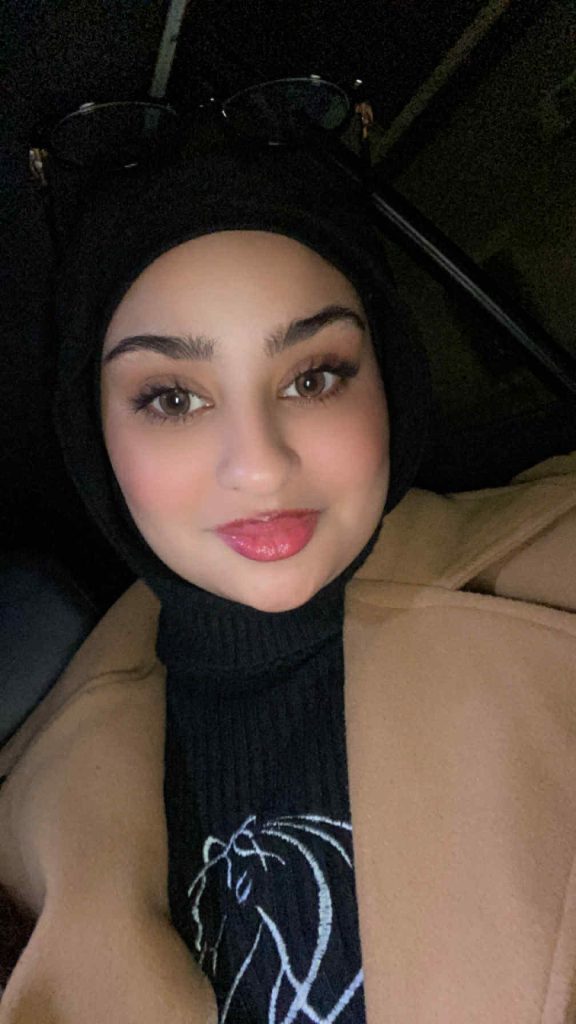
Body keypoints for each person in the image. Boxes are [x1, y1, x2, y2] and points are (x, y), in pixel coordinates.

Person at [1, 140, 576, 1023]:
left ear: (389, 379)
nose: (260, 467)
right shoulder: (28, 814)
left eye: (314, 377)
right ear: (93, 434)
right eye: (172, 399)